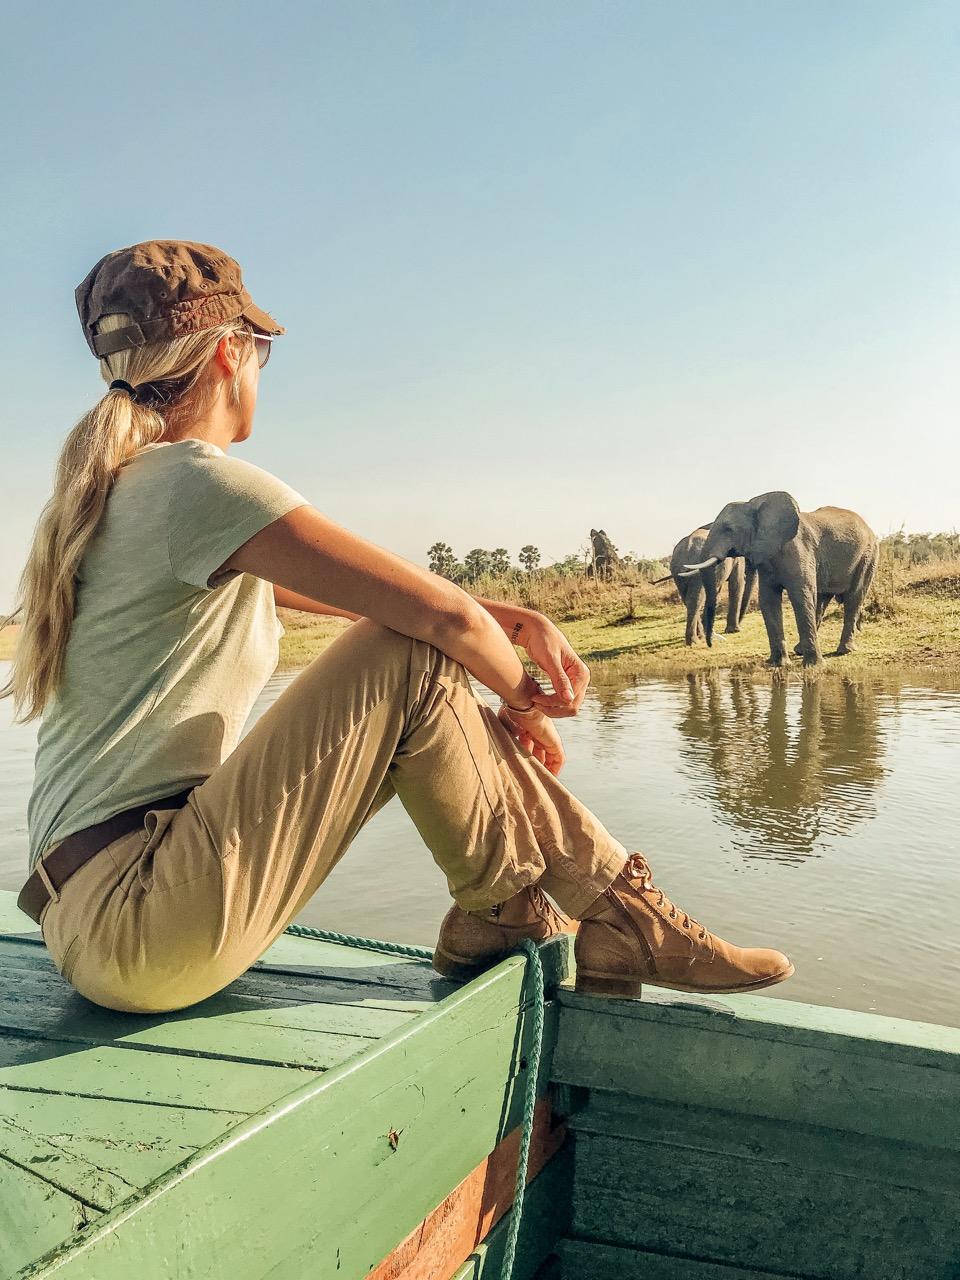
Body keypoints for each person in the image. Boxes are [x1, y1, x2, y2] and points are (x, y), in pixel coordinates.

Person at [2, 240, 793, 1014]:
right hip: (142, 919)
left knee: (407, 651)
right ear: (228, 355)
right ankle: (615, 910)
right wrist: (524, 706)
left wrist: (509, 619)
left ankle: (513, 913)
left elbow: (364, 595)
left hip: (99, 920)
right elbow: (433, 617)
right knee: (409, 652)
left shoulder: (115, 493)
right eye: (261, 353)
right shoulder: (197, 487)